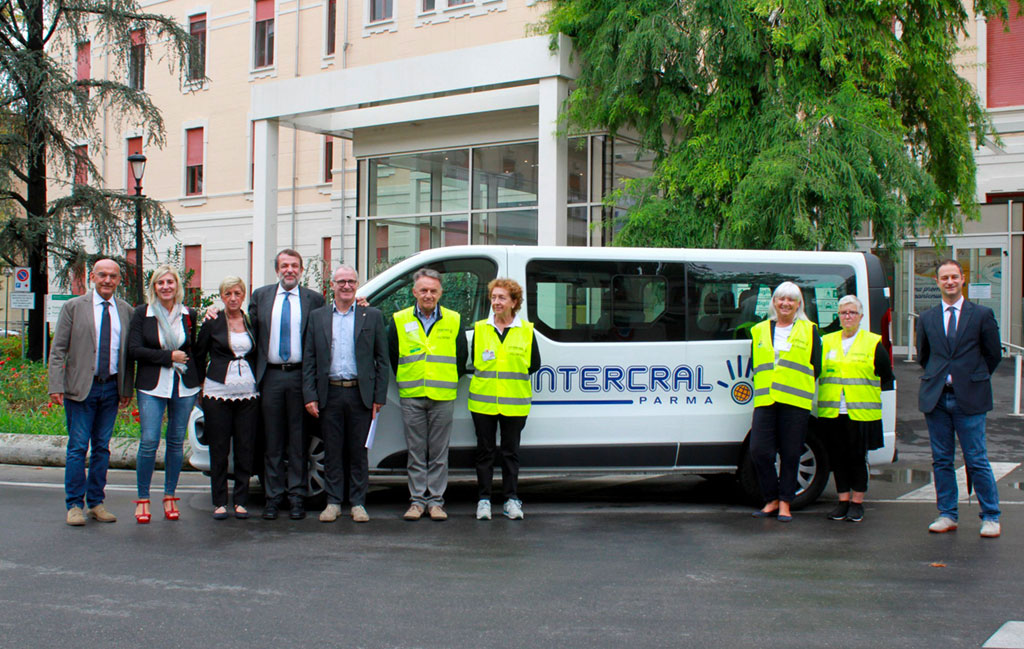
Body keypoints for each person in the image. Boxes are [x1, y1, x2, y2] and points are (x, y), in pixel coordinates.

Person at [917, 259, 1003, 538]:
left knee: (976, 459)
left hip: (970, 399)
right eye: (944, 278)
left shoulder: (981, 315)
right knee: (941, 460)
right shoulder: (927, 318)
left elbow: (993, 354)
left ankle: (990, 516)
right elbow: (924, 356)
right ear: (937, 282)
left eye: (954, 277)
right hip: (937, 399)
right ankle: (947, 514)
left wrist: (972, 378)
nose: (950, 282)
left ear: (963, 279)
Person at [48, 259, 135, 526]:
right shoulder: (74, 307)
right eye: (102, 275)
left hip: (111, 388)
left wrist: (126, 388)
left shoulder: (126, 311)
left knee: (101, 448)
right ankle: (74, 505)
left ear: (119, 280)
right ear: (92, 278)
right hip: (80, 388)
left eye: (113, 276)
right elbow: (58, 349)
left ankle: (96, 502)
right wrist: (56, 385)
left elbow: (128, 355)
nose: (107, 280)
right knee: (77, 447)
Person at [303, 265, 389, 523]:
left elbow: (382, 359)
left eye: (351, 281)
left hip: (360, 394)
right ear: (332, 285)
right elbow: (309, 358)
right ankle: (333, 502)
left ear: (357, 284)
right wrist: (310, 394)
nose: (346, 286)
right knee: (332, 450)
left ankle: (358, 503)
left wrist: (379, 397)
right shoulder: (318, 317)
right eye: (341, 281)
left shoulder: (371, 315)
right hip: (329, 392)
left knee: (358, 451)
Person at [249, 249, 325, 520]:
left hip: (300, 376)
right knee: (272, 441)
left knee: (298, 441)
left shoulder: (314, 300)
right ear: (277, 270)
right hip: (270, 376)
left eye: (294, 266)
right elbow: (246, 330)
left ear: (301, 270)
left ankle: (296, 498)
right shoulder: (261, 296)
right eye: (284, 265)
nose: (289, 270)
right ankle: (273, 498)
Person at [389, 268, 468, 522]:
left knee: (438, 454)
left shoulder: (454, 319)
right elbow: (393, 355)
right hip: (412, 395)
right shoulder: (399, 319)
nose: (428, 295)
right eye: (423, 290)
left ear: (441, 293)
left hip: (442, 396)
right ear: (414, 292)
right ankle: (416, 502)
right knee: (415, 452)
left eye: (433, 290)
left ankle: (435, 502)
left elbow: (461, 356)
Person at [128, 265, 201, 523]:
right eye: (160, 282)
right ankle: (143, 498)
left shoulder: (188, 314)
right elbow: (134, 350)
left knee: (176, 441)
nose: (166, 286)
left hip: (184, 385)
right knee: (149, 441)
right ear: (154, 287)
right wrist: (168, 356)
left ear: (177, 285)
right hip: (152, 385)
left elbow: (194, 349)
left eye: (170, 282)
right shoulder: (143, 313)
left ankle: (170, 495)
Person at [468, 278, 541, 521]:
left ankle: (511, 499)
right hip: (483, 403)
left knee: (510, 453)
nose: (496, 302)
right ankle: (484, 500)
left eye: (502, 297)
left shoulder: (526, 331)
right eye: (494, 297)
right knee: (485, 453)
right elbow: (474, 361)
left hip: (514, 402)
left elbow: (534, 364)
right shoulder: (480, 329)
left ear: (514, 302)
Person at [749, 281, 821, 522]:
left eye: (791, 299)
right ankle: (771, 499)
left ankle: (785, 503)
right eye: (781, 298)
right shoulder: (759, 329)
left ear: (799, 304)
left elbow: (816, 366)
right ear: (774, 302)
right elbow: (755, 363)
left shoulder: (809, 330)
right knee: (759, 450)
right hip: (766, 399)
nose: (785, 303)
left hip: (795, 401)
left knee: (791, 453)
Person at [817, 295, 893, 523]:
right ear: (838, 316)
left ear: (860, 317)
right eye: (843, 313)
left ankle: (857, 502)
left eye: (852, 312)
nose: (848, 316)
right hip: (833, 411)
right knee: (837, 458)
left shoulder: (872, 342)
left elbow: (886, 375)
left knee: (857, 457)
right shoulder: (827, 341)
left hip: (860, 412)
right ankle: (842, 501)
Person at [194, 277, 259, 520]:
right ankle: (220, 501)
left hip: (248, 391)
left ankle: (241, 501)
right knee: (219, 447)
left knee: (245, 446)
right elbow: (199, 353)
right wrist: (200, 384)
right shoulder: (213, 321)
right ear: (222, 296)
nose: (233, 298)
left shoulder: (251, 321)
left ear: (243, 296)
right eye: (228, 294)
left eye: (237, 293)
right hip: (217, 391)